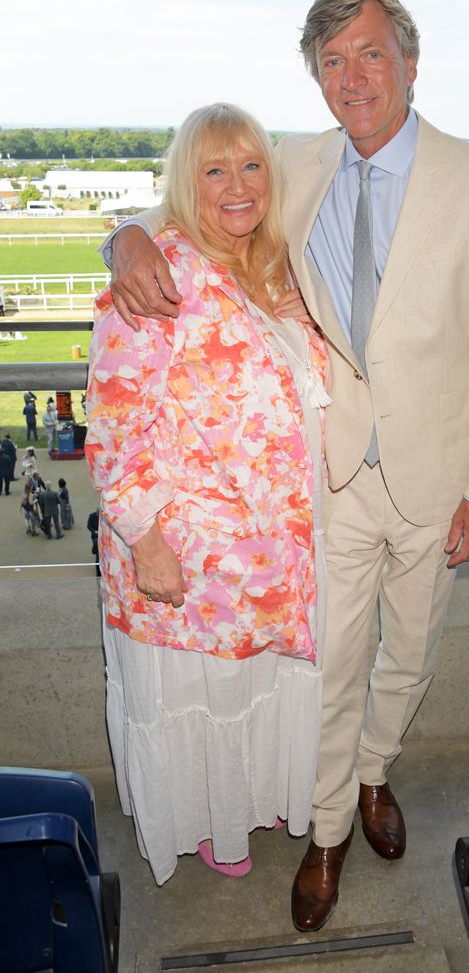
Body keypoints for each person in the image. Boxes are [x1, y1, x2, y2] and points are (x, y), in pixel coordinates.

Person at [100, 0, 469, 928]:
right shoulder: (293, 163)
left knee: (406, 658)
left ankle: (376, 772)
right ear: (317, 79)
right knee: (334, 662)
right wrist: (119, 236)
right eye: (332, 62)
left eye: (371, 53)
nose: (353, 77)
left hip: (438, 478)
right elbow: (196, 204)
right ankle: (329, 828)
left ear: (410, 62)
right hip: (329, 481)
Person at [85, 103, 329, 887]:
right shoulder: (157, 274)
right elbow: (115, 422)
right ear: (184, 184)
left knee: (256, 693)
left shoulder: (279, 267)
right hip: (189, 560)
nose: (236, 185)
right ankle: (213, 825)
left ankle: (245, 809)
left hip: (272, 555)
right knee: (208, 700)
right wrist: (143, 538)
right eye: (213, 170)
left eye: (251, 165)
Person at [87, 507, 100, 576]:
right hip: (95, 536)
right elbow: (88, 526)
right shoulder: (91, 516)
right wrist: (94, 531)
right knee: (97, 553)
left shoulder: (104, 516)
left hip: (103, 537)